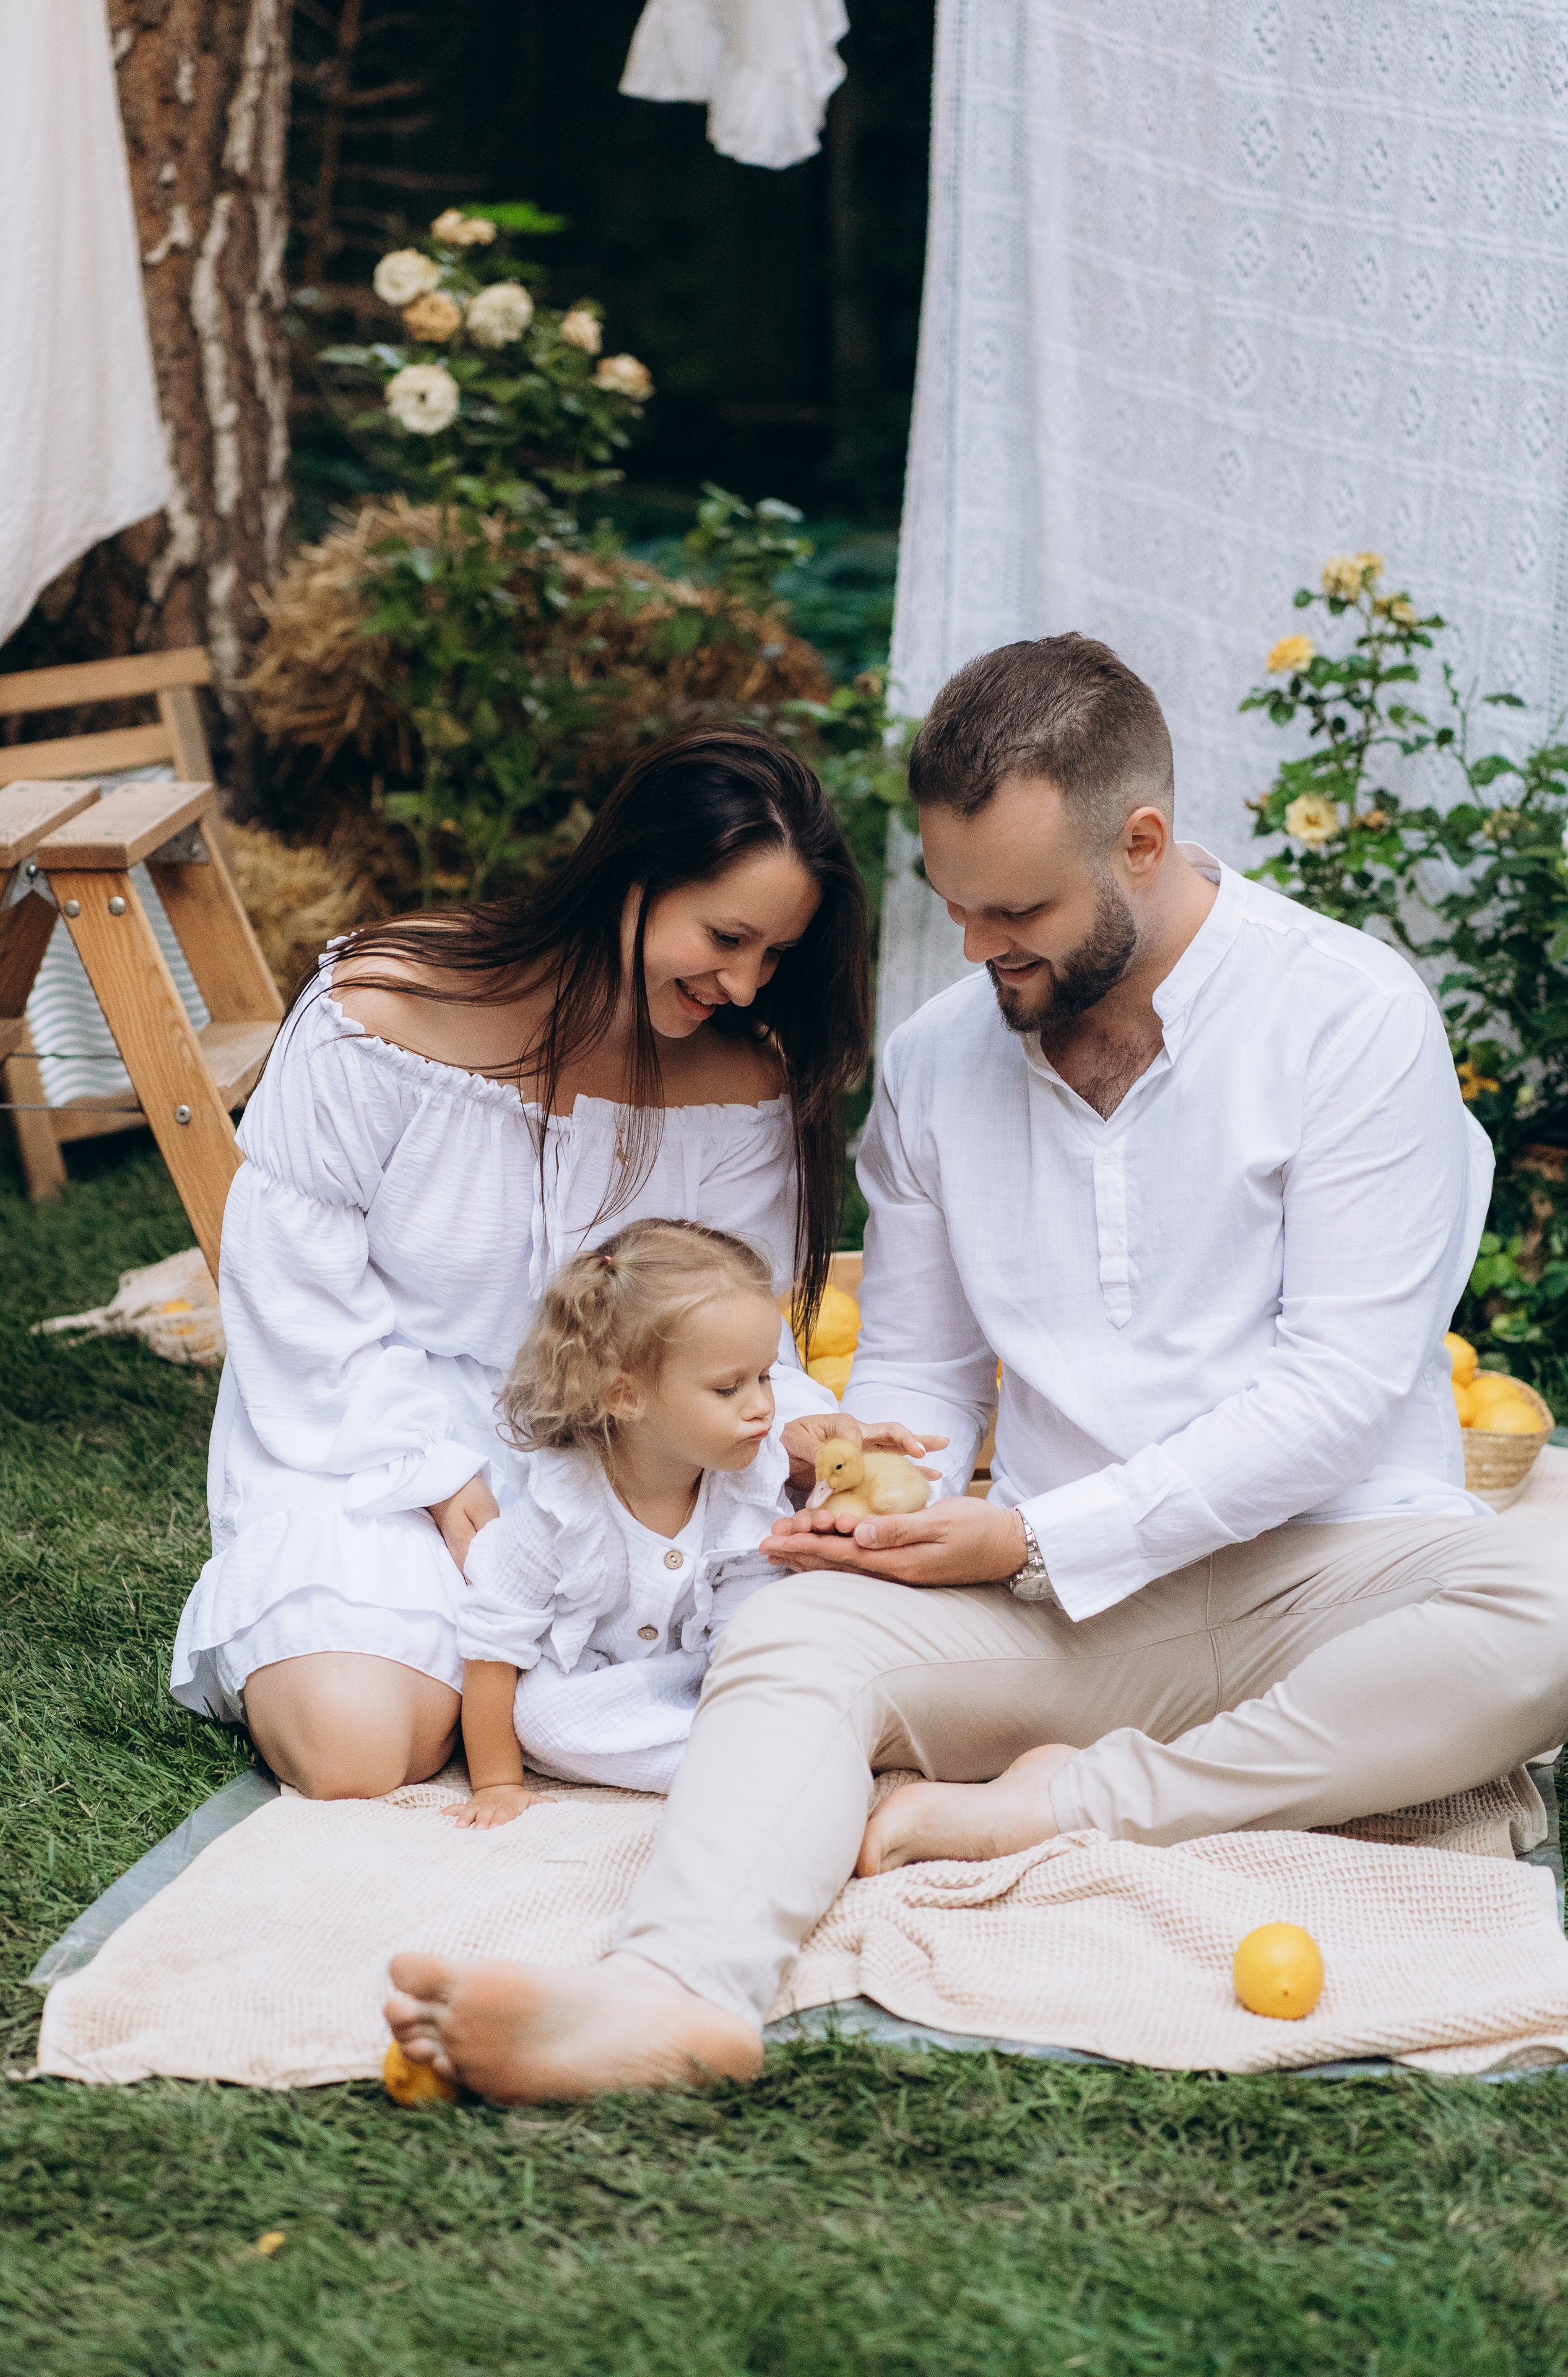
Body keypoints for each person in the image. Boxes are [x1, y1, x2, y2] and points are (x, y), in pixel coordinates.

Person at [384, 633, 1568, 2103]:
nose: (977, 947)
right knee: (795, 1630)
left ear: (1140, 843)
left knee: (1551, 1602)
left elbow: (1332, 1400)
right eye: (954, 907)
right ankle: (670, 1991)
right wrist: (872, 1480)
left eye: (1017, 909)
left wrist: (1026, 1530)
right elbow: (922, 1378)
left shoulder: (1345, 1014)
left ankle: (1065, 1804)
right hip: (1057, 1614)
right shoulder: (944, 1061)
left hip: (1319, 1578)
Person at [170, 724, 886, 1800]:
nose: (744, 984)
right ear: (632, 876)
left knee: (791, 1676)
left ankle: (512, 1695)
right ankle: (456, 1679)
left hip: (627, 1469)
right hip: (378, 1441)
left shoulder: (744, 1078)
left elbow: (738, 1324)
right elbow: (293, 1294)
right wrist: (444, 1483)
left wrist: (793, 1420)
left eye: (775, 956)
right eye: (727, 936)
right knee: (355, 1750)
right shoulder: (381, 1013)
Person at [447, 1219, 804, 1822]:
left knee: (802, 1654)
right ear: (625, 1396)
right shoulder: (560, 1511)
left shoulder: (749, 1479)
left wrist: (752, 1696)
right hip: (600, 1689)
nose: (762, 1406)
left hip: (709, 1678)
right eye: (728, 1388)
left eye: (765, 1377)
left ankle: (755, 1750)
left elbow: (749, 1625)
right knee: (542, 1717)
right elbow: (491, 1652)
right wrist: (496, 1785)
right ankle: (741, 1766)